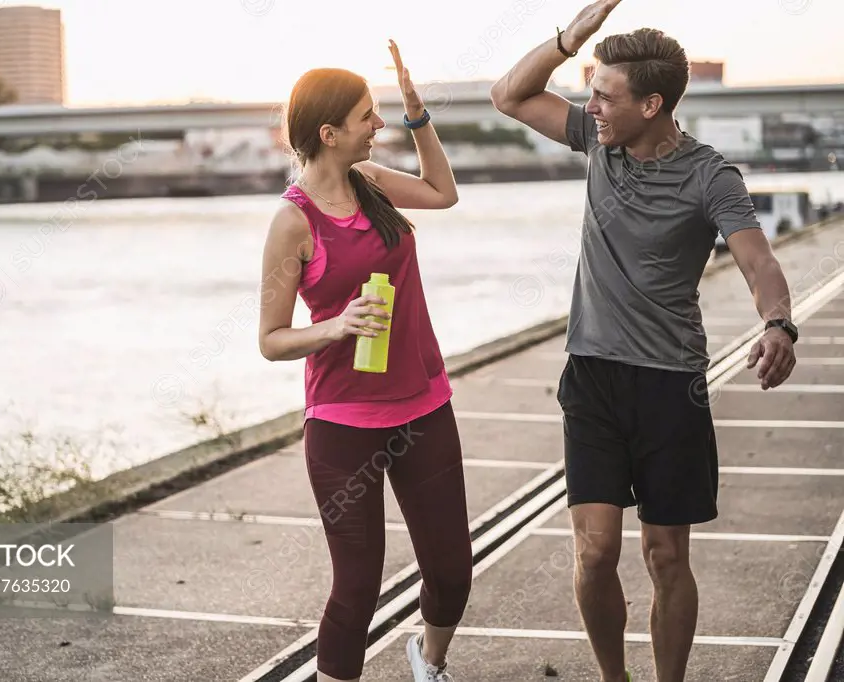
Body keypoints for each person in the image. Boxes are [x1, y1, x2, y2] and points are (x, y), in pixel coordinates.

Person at [489, 2, 798, 681]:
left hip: (668, 384)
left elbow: (759, 262)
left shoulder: (709, 175)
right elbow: (508, 95)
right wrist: (571, 38)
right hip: (593, 375)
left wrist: (777, 322)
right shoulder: (596, 139)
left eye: (606, 96)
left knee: (665, 555)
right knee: (595, 551)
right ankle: (614, 678)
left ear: (652, 103)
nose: (589, 105)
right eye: (590, 92)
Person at [257, 41, 472, 682]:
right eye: (366, 117)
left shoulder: (371, 184)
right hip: (343, 424)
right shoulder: (292, 223)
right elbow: (270, 338)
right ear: (329, 133)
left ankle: (428, 665)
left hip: (424, 406)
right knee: (357, 588)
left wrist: (417, 114)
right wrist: (336, 326)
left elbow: (442, 192)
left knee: (452, 572)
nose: (377, 126)